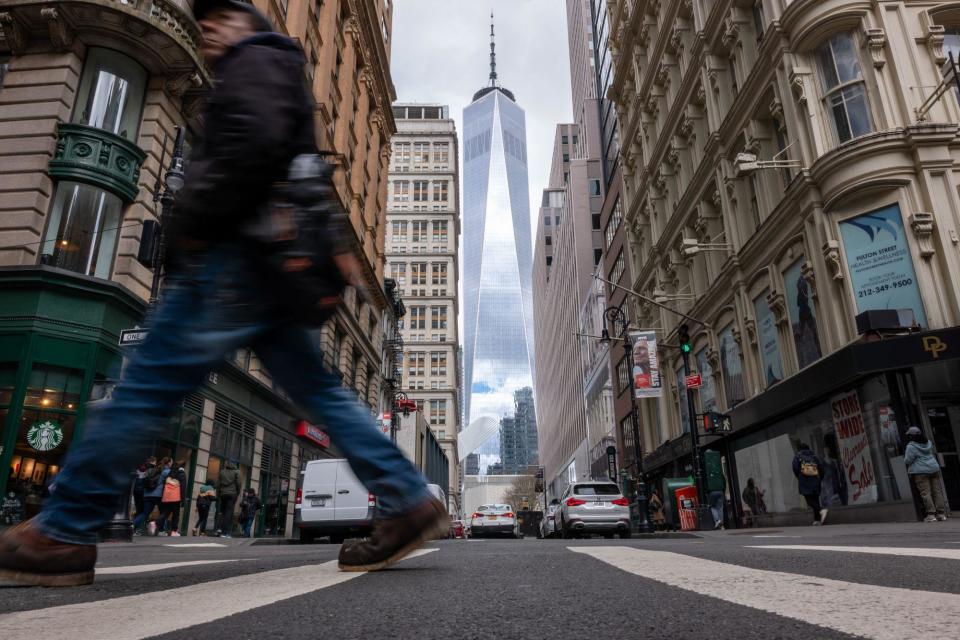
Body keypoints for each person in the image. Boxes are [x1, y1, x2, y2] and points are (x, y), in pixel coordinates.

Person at [0, 0, 444, 587]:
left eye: (213, 25)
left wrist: (196, 226)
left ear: (241, 25)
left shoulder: (256, 60)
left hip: (234, 256)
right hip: (277, 269)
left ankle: (63, 528)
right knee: (322, 394)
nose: (206, 35)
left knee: (144, 384)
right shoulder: (282, 70)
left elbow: (248, 148)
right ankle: (408, 497)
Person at [904, 426, 948, 522]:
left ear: (911, 436)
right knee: (937, 491)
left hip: (921, 471)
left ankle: (931, 515)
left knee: (925, 493)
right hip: (934, 468)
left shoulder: (911, 446)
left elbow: (908, 460)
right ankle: (941, 514)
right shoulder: (928, 443)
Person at [792, 443, 827, 525]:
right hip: (816, 482)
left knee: (810, 501)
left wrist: (800, 477)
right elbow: (822, 469)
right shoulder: (815, 457)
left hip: (805, 483)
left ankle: (821, 511)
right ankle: (817, 520)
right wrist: (819, 479)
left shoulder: (797, 457)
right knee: (815, 500)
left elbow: (795, 469)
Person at [133, 457, 166, 535]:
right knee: (163, 512)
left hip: (145, 494)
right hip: (157, 495)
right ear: (154, 462)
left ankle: (133, 525)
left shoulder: (144, 469)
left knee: (144, 513)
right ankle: (161, 530)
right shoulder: (159, 470)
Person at [158, 460, 187, 536]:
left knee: (165, 513)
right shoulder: (182, 474)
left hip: (167, 497)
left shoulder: (170, 473)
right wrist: (182, 500)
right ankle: (174, 531)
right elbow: (183, 488)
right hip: (176, 497)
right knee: (176, 514)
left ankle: (155, 524)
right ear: (183, 467)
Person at [216, 461, 241, 538]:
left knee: (222, 512)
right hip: (232, 494)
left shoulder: (222, 472)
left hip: (223, 494)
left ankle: (219, 529)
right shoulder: (237, 472)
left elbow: (218, 484)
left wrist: (218, 494)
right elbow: (239, 483)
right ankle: (225, 532)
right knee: (228, 513)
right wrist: (237, 492)